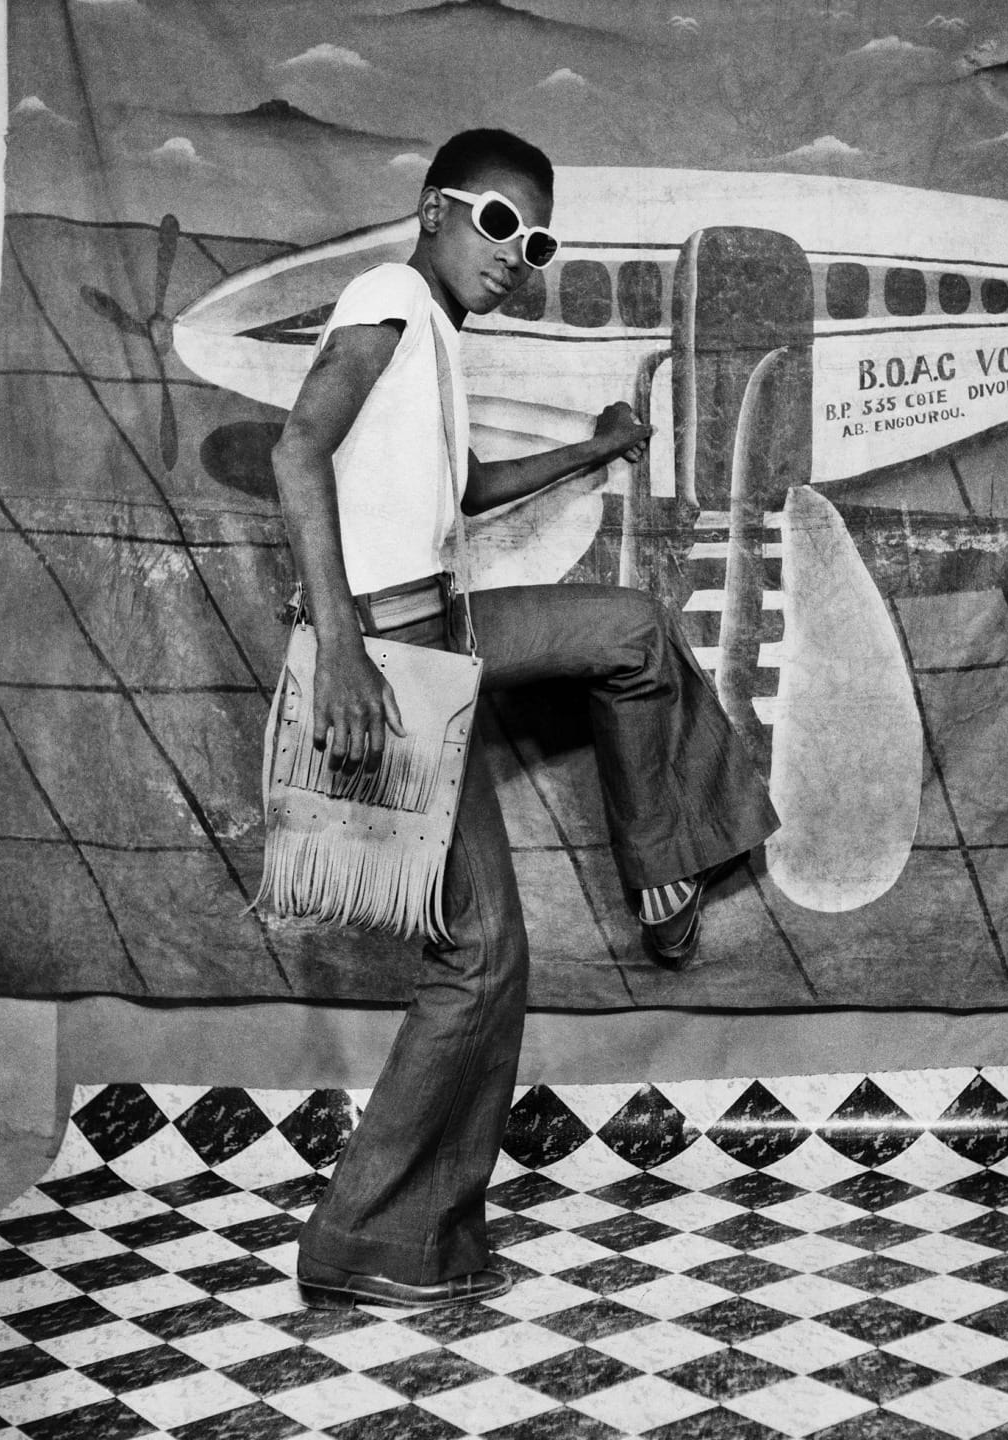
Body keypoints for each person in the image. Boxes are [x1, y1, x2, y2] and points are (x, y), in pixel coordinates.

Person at [273, 128, 778, 1311]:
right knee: (481, 953)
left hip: (439, 626)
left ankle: (661, 868)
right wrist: (340, 651)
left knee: (631, 631)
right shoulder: (389, 293)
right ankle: (366, 1239)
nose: (516, 254)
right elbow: (297, 453)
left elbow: (463, 493)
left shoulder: (433, 334)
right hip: (388, 656)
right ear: (434, 210)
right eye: (499, 223)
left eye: (536, 241)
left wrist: (596, 449)